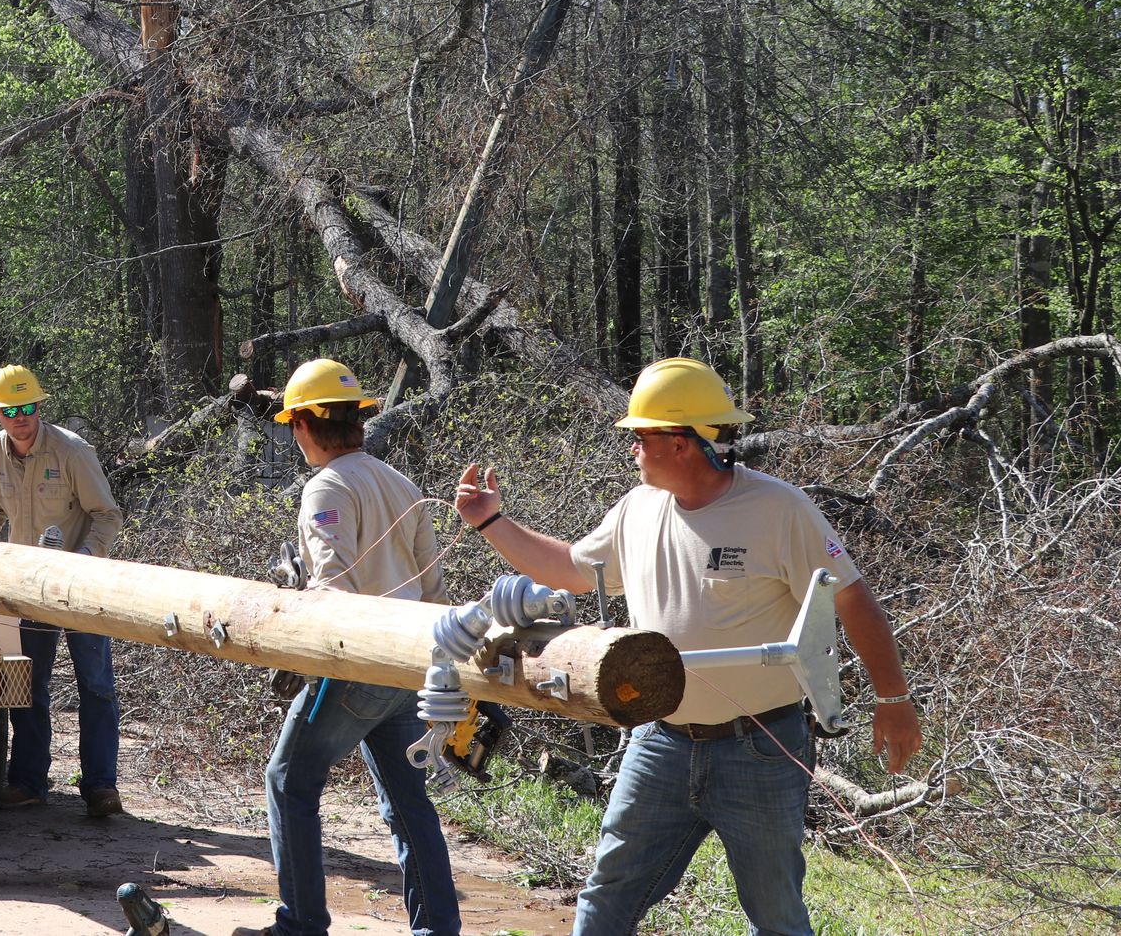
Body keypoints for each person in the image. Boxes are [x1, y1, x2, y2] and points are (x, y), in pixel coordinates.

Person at [452, 356, 921, 936]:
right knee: (608, 897)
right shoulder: (637, 509)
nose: (632, 449)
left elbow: (850, 599)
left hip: (761, 747)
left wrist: (893, 698)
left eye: (642, 437)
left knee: (776, 917)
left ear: (684, 442)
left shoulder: (778, 510)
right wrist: (491, 522)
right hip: (658, 741)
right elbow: (570, 568)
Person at [234, 358, 460, 936]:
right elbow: (434, 591)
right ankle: (437, 928)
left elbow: (335, 592)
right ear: (357, 420)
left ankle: (301, 924)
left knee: (290, 780)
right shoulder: (400, 484)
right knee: (409, 803)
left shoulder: (326, 487)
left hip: (357, 663)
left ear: (303, 424)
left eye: (293, 425)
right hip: (411, 661)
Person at [0, 365, 125, 818]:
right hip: (27, 588)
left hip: (81, 586)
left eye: (28, 407)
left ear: (39, 407)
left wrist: (83, 560)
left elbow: (107, 516)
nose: (21, 417)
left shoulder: (72, 452)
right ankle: (29, 781)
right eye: (11, 409)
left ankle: (100, 788)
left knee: (95, 687)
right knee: (28, 684)